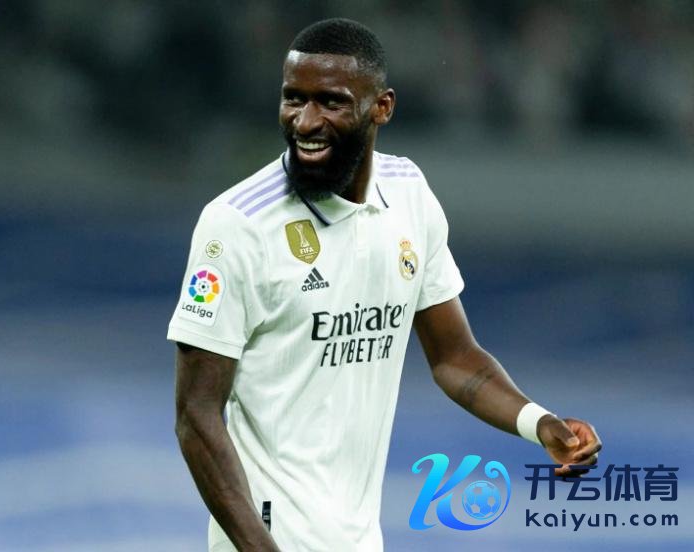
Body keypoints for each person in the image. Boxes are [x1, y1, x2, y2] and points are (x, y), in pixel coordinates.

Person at [168, 18, 601, 552]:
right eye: (293, 98)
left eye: (331, 102)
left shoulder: (408, 194)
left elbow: (455, 358)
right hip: (267, 536)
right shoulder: (236, 225)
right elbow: (196, 415)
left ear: (382, 107)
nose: (305, 121)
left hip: (359, 536)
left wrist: (541, 424)